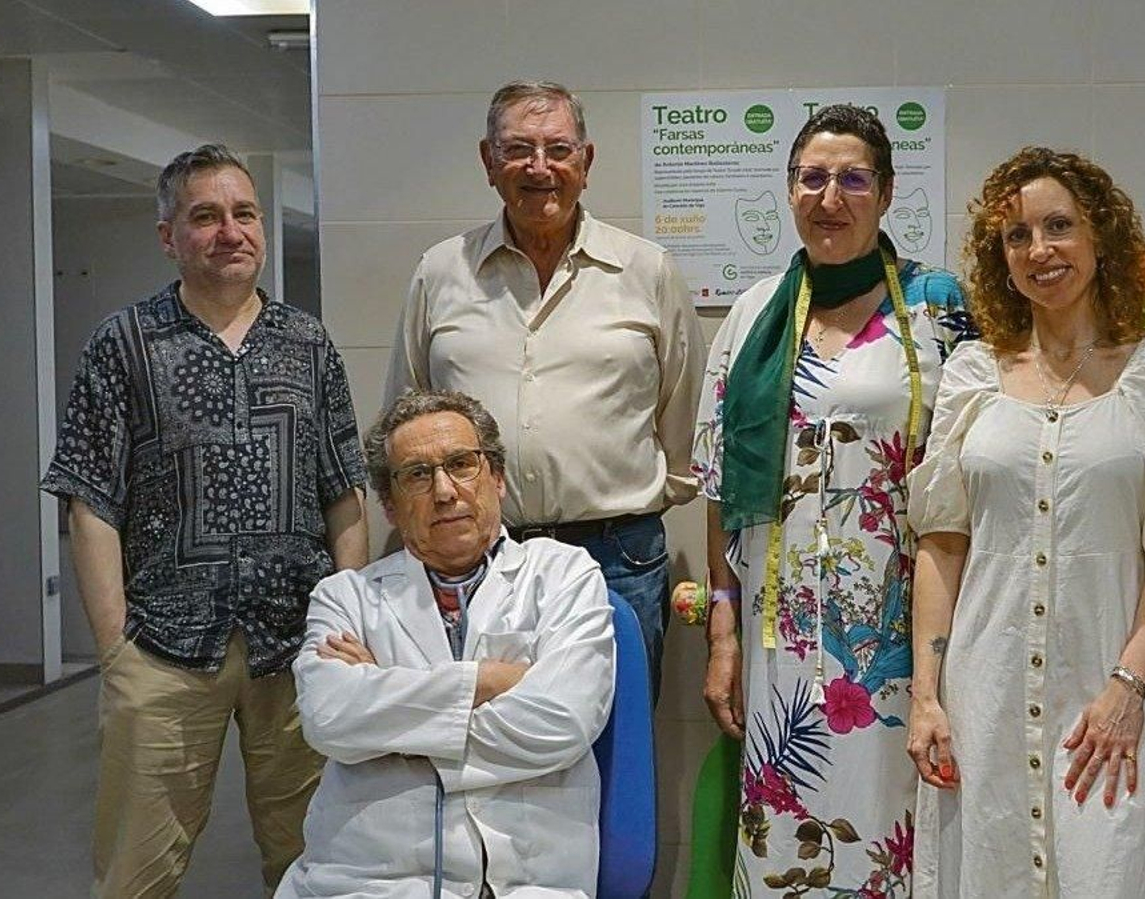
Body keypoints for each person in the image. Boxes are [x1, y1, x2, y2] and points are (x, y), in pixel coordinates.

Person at [40, 143, 369, 897]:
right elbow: (90, 499)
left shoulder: (307, 344)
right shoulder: (122, 345)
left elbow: (344, 491)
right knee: (138, 869)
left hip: (297, 647)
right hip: (161, 649)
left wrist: (350, 620)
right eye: (206, 216)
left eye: (244, 213)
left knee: (317, 861)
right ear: (169, 236)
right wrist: (114, 643)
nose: (231, 231)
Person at [692, 104, 974, 896]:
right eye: (811, 178)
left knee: (899, 818)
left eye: (853, 179)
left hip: (900, 630)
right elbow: (718, 484)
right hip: (779, 638)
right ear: (788, 192)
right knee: (788, 824)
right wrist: (723, 627)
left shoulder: (936, 306)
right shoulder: (752, 317)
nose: (830, 197)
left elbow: (980, 461)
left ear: (885, 195)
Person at [904, 148, 1145, 897]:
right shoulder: (974, 374)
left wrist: (1127, 685)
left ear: (1100, 239)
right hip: (986, 693)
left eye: (1060, 226)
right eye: (1017, 236)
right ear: (1000, 261)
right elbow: (942, 542)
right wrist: (928, 695)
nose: (1040, 249)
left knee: (1115, 869)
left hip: (1114, 692)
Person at [384, 79, 701, 700]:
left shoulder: (646, 270)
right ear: (487, 162)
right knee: (489, 741)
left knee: (617, 750)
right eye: (518, 150)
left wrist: (633, 496)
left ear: (586, 161)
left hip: (619, 558)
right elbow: (408, 418)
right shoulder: (440, 272)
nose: (540, 168)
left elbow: (685, 412)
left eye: (558, 149)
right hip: (475, 559)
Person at [277, 389, 615, 899]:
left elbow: (563, 721)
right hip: (364, 879)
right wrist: (489, 681)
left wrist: (387, 716)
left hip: (524, 878)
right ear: (389, 505)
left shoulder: (563, 575)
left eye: (461, 464)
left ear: (496, 478)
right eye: (416, 474)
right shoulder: (345, 597)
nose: (444, 491)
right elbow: (329, 720)